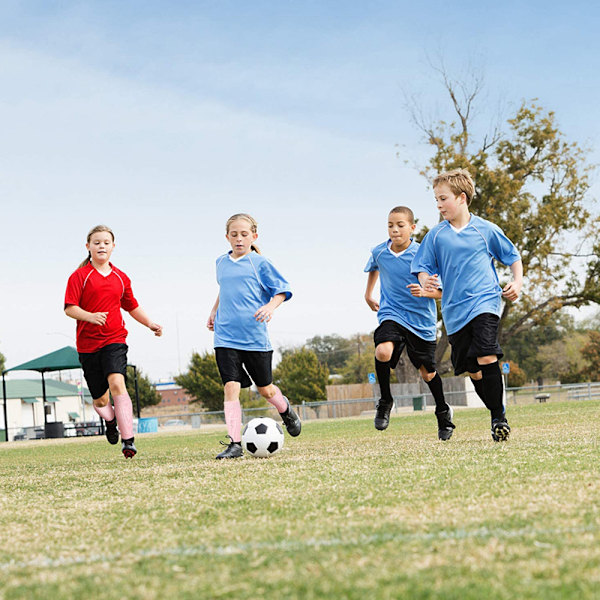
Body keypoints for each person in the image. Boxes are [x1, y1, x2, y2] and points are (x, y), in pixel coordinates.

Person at [411, 168, 523, 441]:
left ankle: (499, 418)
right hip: (454, 312)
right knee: (472, 369)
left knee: (487, 356)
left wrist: (517, 282)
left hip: (485, 302)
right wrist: (427, 281)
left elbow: (512, 256)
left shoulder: (486, 230)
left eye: (443, 198)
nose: (438, 205)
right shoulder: (436, 236)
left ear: (461, 198)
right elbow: (422, 266)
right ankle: (497, 411)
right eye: (436, 200)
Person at [207, 213, 301, 459]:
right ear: (227, 237)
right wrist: (214, 311)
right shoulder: (220, 262)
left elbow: (281, 290)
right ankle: (235, 443)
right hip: (225, 336)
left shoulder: (260, 263)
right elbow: (224, 289)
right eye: (234, 234)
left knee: (266, 390)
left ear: (254, 236)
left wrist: (270, 306)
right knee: (231, 386)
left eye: (244, 234)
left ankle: (286, 409)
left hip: (254, 338)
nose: (239, 239)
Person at [64, 225, 162, 458]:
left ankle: (128, 441)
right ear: (88, 247)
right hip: (88, 346)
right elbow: (69, 308)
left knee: (117, 383)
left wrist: (149, 323)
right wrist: (90, 316)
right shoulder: (80, 276)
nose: (101, 246)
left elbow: (131, 306)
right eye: (96, 242)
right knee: (100, 401)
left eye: (106, 243)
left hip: (114, 339)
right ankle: (110, 422)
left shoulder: (121, 277)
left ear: (113, 247)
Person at [364, 206, 455, 440]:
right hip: (391, 313)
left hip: (420, 321)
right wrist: (368, 294)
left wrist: (425, 293)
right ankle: (385, 401)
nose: (394, 230)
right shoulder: (379, 251)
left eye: (400, 225)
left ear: (412, 228)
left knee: (427, 373)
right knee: (383, 351)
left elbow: (444, 292)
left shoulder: (422, 255)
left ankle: (443, 412)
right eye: (390, 225)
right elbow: (374, 267)